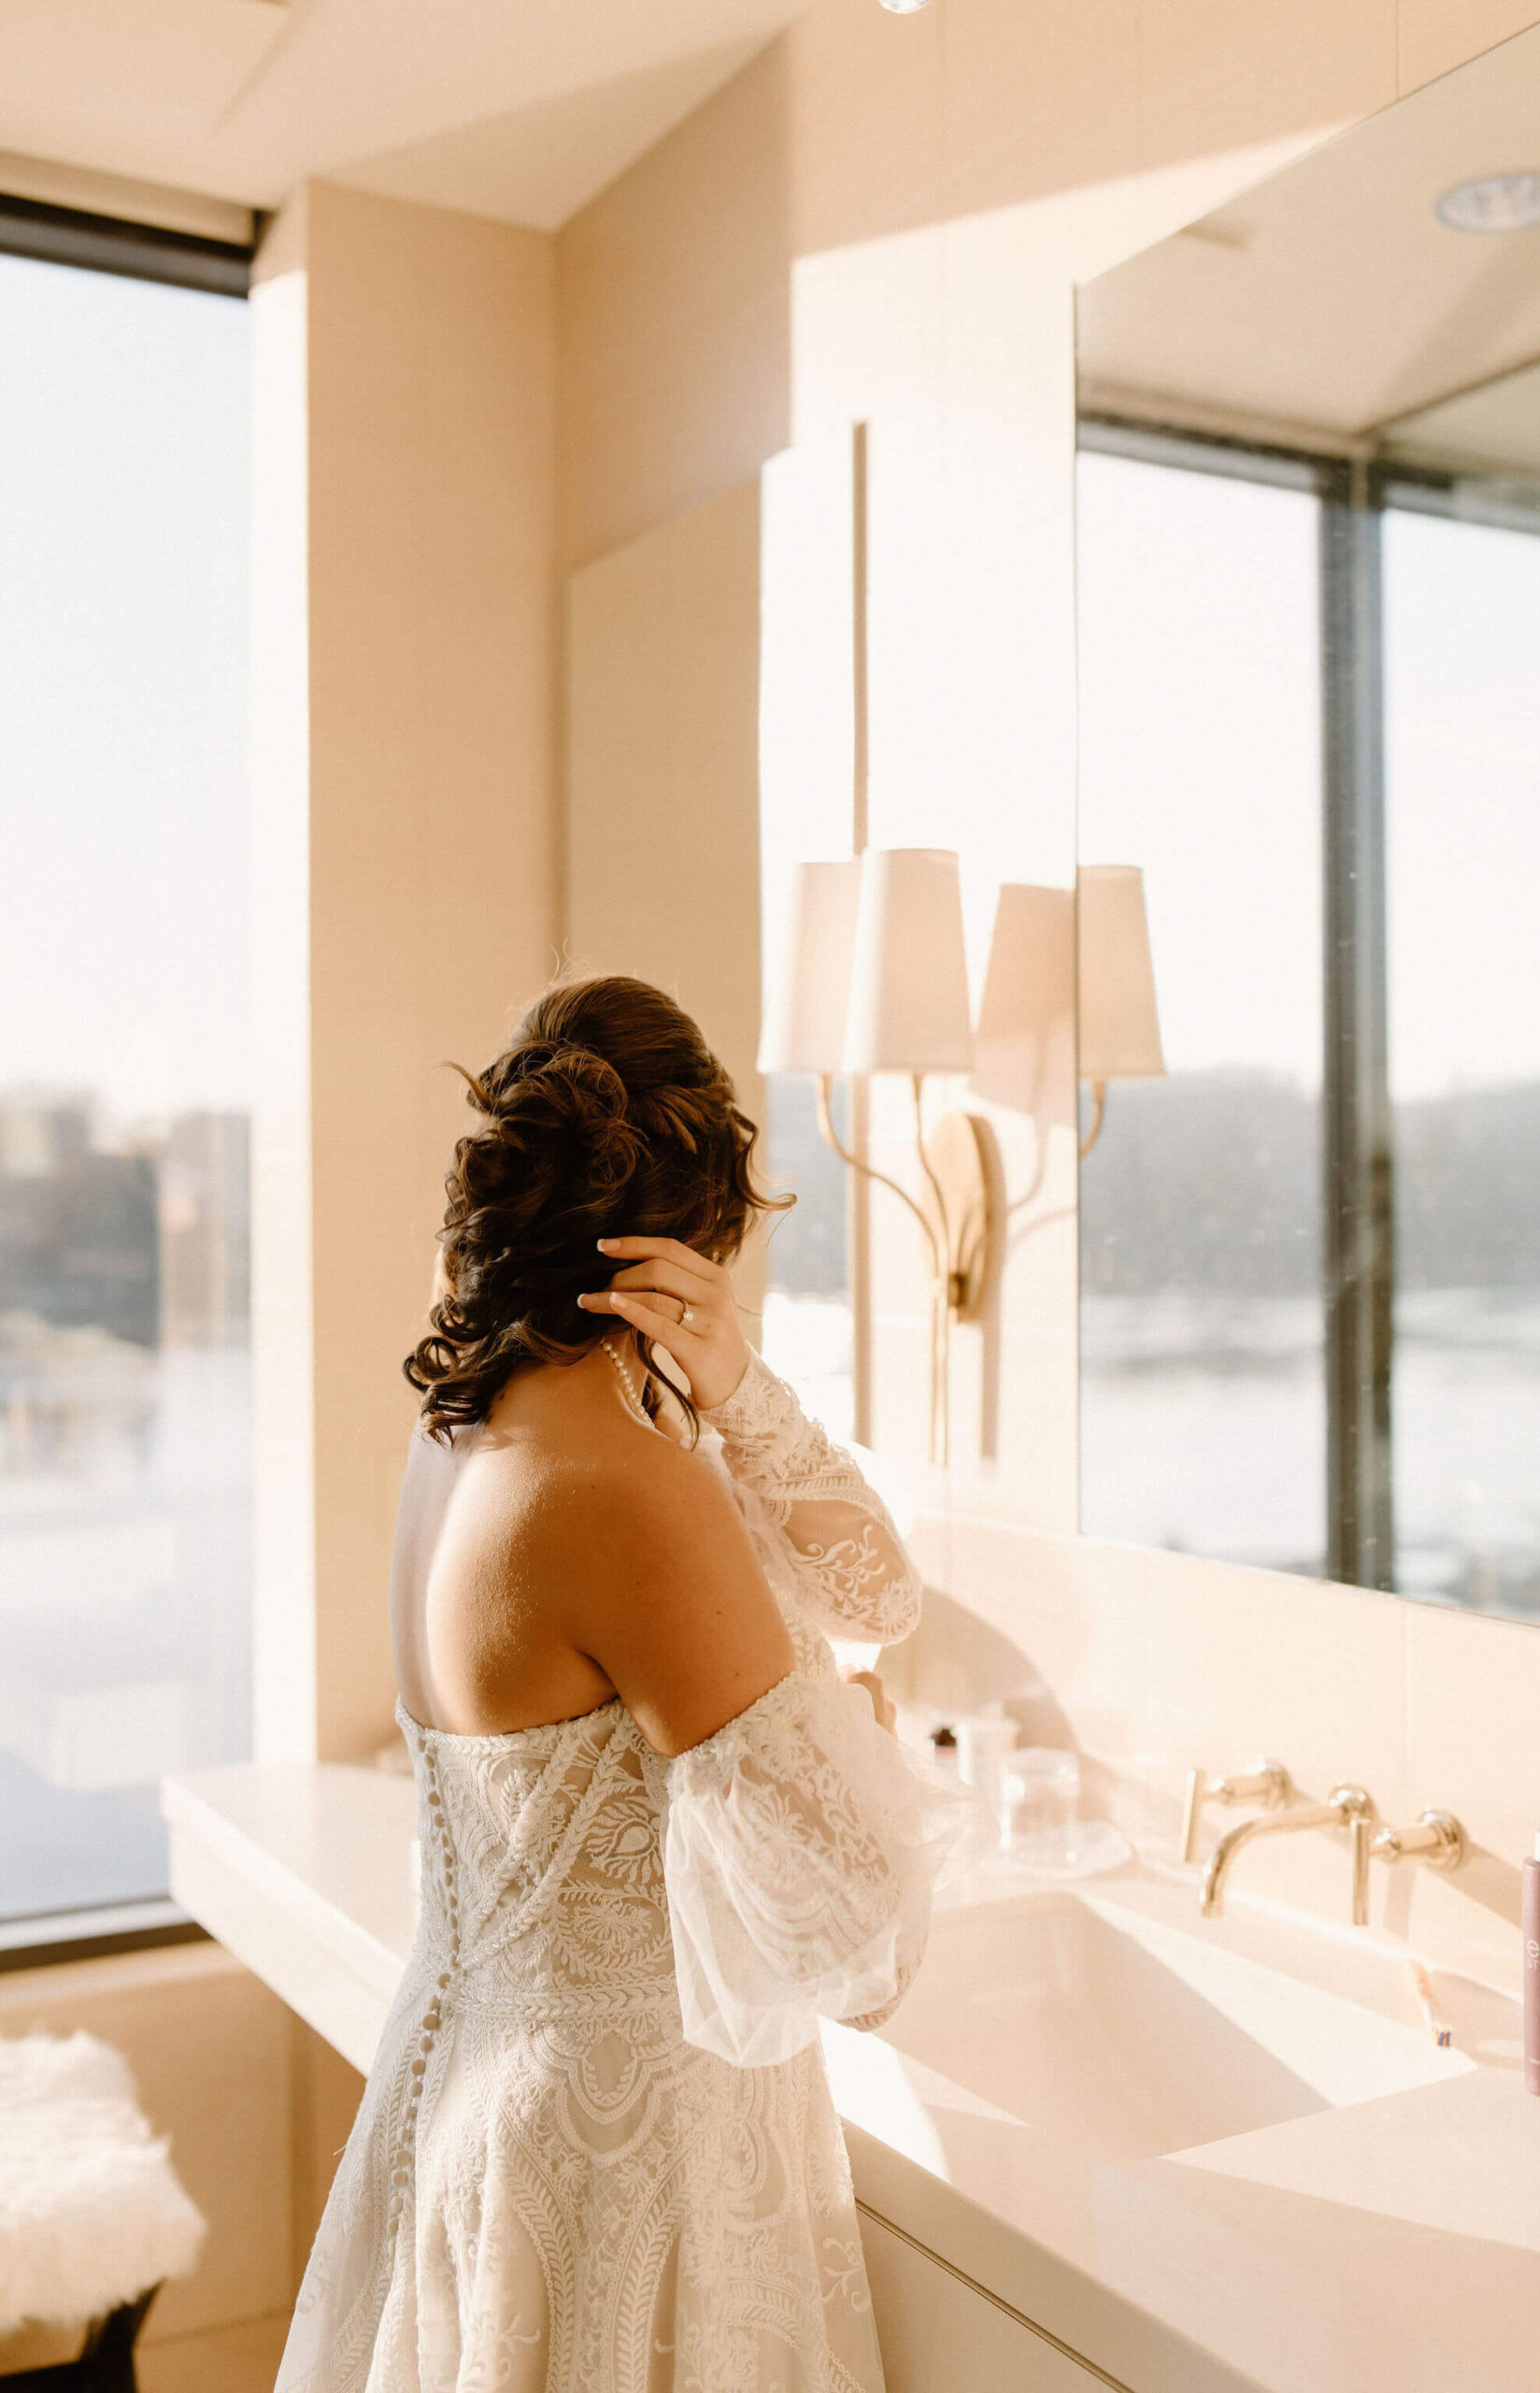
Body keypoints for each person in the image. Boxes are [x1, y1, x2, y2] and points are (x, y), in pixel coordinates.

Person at [277, 974, 973, 2393]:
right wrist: (853, 1731)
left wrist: (740, 1389)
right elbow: (857, 1932)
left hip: (462, 2096)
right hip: (625, 2165)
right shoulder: (624, 1489)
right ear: (689, 1234)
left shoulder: (463, 1436)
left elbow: (881, 1596)